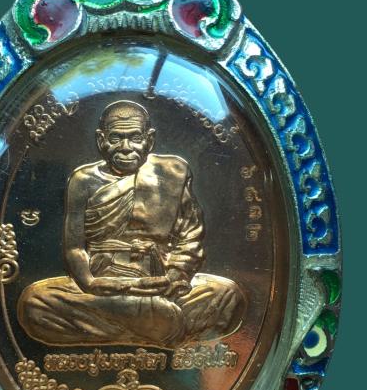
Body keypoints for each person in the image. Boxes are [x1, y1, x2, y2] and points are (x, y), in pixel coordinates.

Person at [17, 100, 245, 348]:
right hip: (104, 286)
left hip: (158, 284)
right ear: (101, 140)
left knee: (227, 296)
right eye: (116, 138)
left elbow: (190, 236)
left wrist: (173, 278)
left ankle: (132, 325)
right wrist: (90, 283)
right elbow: (74, 248)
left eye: (135, 138)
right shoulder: (83, 180)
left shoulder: (172, 173)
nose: (126, 148)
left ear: (149, 139)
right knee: (34, 303)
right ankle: (161, 326)